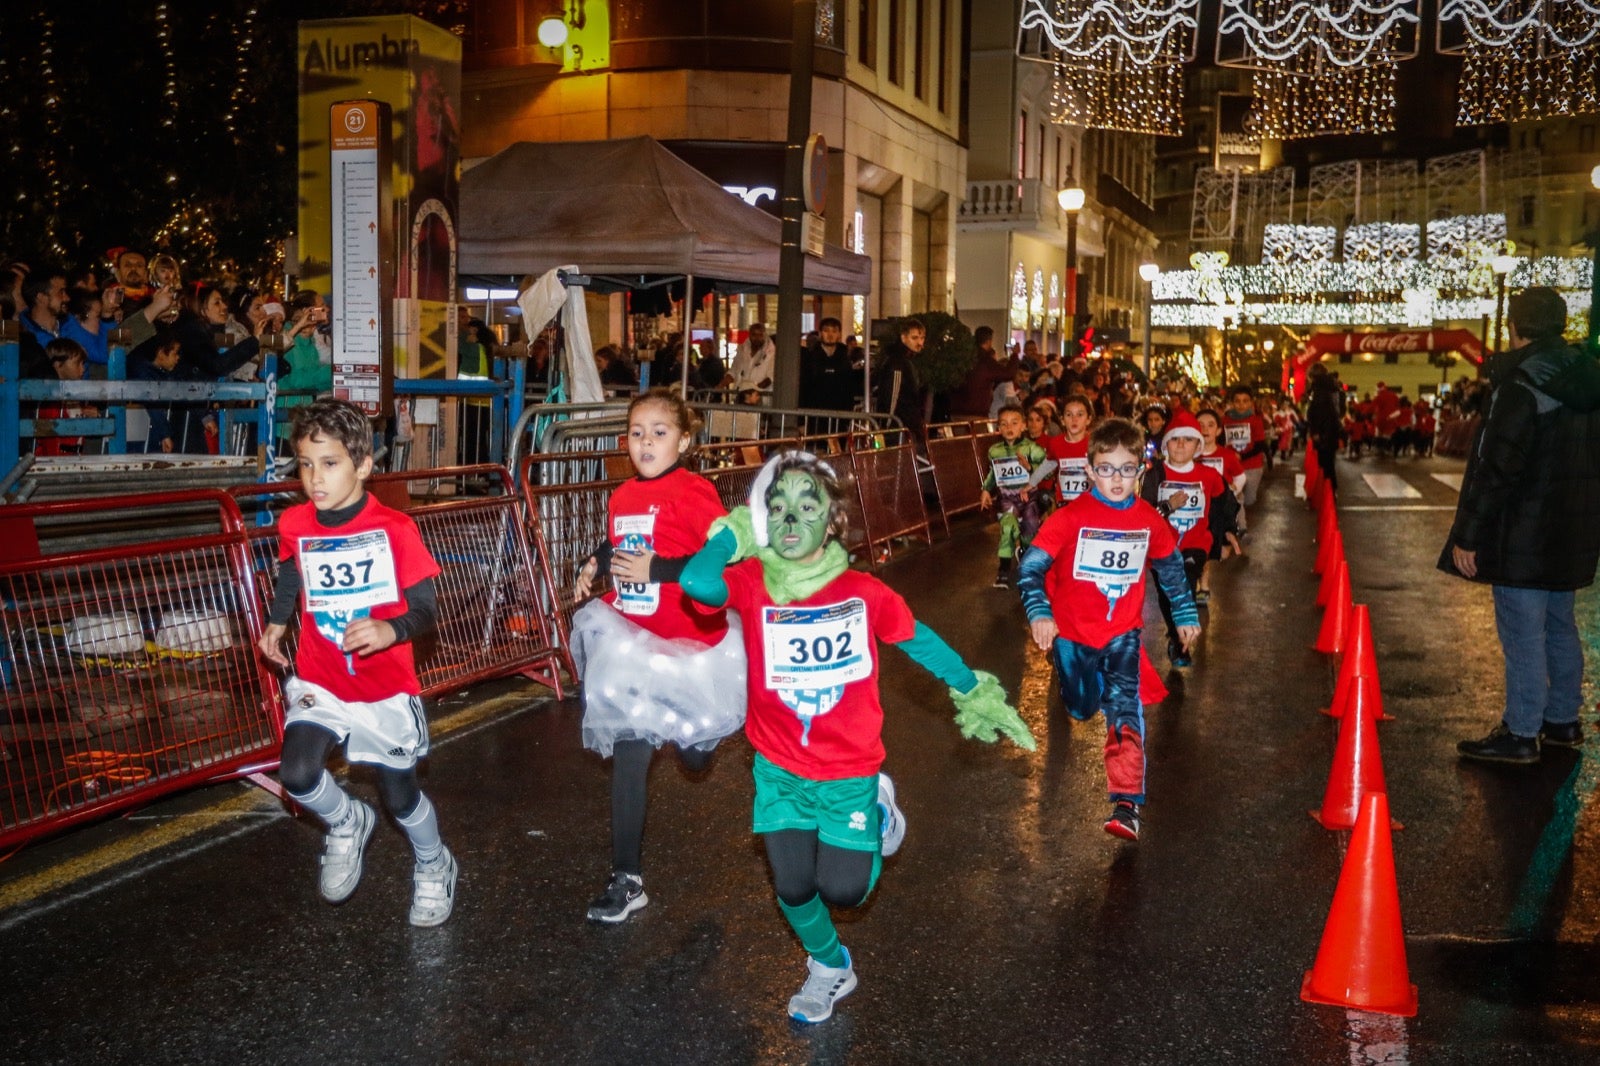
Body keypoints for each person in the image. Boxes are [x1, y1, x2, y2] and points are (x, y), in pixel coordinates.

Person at [679, 450, 1034, 1023]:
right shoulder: (748, 581)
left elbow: (917, 638)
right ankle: (830, 967)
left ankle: (879, 808)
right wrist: (732, 533)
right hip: (779, 767)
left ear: (833, 521)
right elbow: (696, 582)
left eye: (807, 505)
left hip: (848, 771)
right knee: (794, 887)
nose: (790, 520)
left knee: (843, 891)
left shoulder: (862, 591)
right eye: (777, 508)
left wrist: (972, 689)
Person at [257, 399, 458, 926]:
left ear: (364, 465)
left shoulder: (394, 528)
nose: (314, 478)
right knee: (297, 773)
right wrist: (278, 621)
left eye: (329, 464)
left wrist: (390, 629)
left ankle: (435, 862)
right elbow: (292, 573)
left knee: (400, 794)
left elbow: (426, 610)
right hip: (320, 677)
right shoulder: (296, 522)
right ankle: (347, 821)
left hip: (384, 688)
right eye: (304, 463)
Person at [567, 390, 745, 923]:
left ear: (685, 441)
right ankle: (627, 878)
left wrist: (660, 572)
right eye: (637, 432)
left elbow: (722, 556)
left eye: (659, 432)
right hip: (632, 641)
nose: (645, 442)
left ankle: (703, 738)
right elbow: (619, 543)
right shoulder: (621, 494)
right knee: (630, 749)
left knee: (692, 754)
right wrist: (593, 564)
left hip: (692, 645)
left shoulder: (695, 492)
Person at [1016, 417, 1200, 840]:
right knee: (1081, 708)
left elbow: (1171, 569)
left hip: (1123, 634)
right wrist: (1040, 613)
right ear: (1089, 468)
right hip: (1072, 636)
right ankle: (1085, 691)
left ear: (1141, 469)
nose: (1115, 479)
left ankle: (1126, 803)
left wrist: (1186, 614)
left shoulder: (1149, 519)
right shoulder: (1069, 517)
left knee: (1124, 709)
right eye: (1105, 468)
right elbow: (1031, 569)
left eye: (1126, 468)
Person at [1441, 287, 1600, 764]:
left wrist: (1469, 535)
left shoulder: (1522, 384)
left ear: (1515, 327)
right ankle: (1561, 720)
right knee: (1559, 625)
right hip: (1573, 530)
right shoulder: (1589, 378)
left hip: (1524, 530)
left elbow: (1497, 465)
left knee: (1523, 632)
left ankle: (1521, 730)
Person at [1139, 409, 1239, 667]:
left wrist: (1227, 532)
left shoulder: (1209, 475)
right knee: (1165, 595)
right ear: (1166, 444)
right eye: (1175, 439)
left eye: (1187, 439)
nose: (1181, 444)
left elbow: (1224, 505)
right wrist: (1167, 506)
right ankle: (1175, 636)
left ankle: (1180, 645)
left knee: (1185, 583)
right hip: (1162, 547)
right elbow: (1144, 514)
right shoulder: (1154, 475)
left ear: (1197, 445)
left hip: (1195, 543)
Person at [980, 405, 1056, 589]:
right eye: (1004, 424)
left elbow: (1049, 472)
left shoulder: (1033, 449)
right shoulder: (994, 451)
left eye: (1014, 423)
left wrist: (1030, 467)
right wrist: (985, 490)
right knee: (1007, 529)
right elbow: (993, 474)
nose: (1009, 428)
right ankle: (1003, 571)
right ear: (998, 428)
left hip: (1028, 498)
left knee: (1029, 533)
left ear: (1023, 426)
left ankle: (1028, 562)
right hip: (1006, 498)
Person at [873, 318, 928, 451]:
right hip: (898, 425)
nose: (920, 342)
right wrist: (888, 423)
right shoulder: (898, 362)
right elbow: (892, 395)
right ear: (903, 338)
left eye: (922, 338)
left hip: (904, 423)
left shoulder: (907, 360)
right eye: (914, 338)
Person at [1220, 387, 1267, 532]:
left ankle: (1240, 520)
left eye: (1245, 401)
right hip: (1232, 467)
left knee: (1249, 499)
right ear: (1232, 403)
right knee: (1236, 498)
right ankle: (1239, 527)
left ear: (1251, 403)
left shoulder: (1256, 420)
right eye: (1237, 401)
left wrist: (1242, 456)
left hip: (1252, 466)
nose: (1241, 405)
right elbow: (1220, 441)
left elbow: (1260, 445)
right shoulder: (1225, 420)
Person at [951, 325, 1016, 418]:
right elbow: (1008, 373)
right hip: (976, 413)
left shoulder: (963, 358)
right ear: (989, 341)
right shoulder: (985, 361)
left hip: (956, 411)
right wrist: (1015, 356)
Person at [800, 317, 856, 411]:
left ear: (839, 334)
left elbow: (849, 386)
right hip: (814, 412)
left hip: (840, 413)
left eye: (834, 331)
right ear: (820, 333)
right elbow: (804, 386)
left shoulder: (844, 357)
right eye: (826, 331)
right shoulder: (810, 357)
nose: (830, 335)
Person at [1305, 365, 1344, 493]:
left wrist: (1316, 431)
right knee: (1329, 463)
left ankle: (1327, 490)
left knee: (1324, 463)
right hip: (1332, 431)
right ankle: (1331, 489)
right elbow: (1338, 411)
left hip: (1323, 432)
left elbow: (1317, 413)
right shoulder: (1334, 389)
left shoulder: (1319, 390)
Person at [727, 322, 775, 395]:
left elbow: (770, 378)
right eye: (754, 335)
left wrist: (753, 391)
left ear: (765, 335)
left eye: (760, 335)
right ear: (749, 335)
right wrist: (719, 386)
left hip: (760, 398)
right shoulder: (742, 350)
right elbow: (733, 372)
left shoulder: (772, 353)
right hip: (740, 396)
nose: (757, 338)